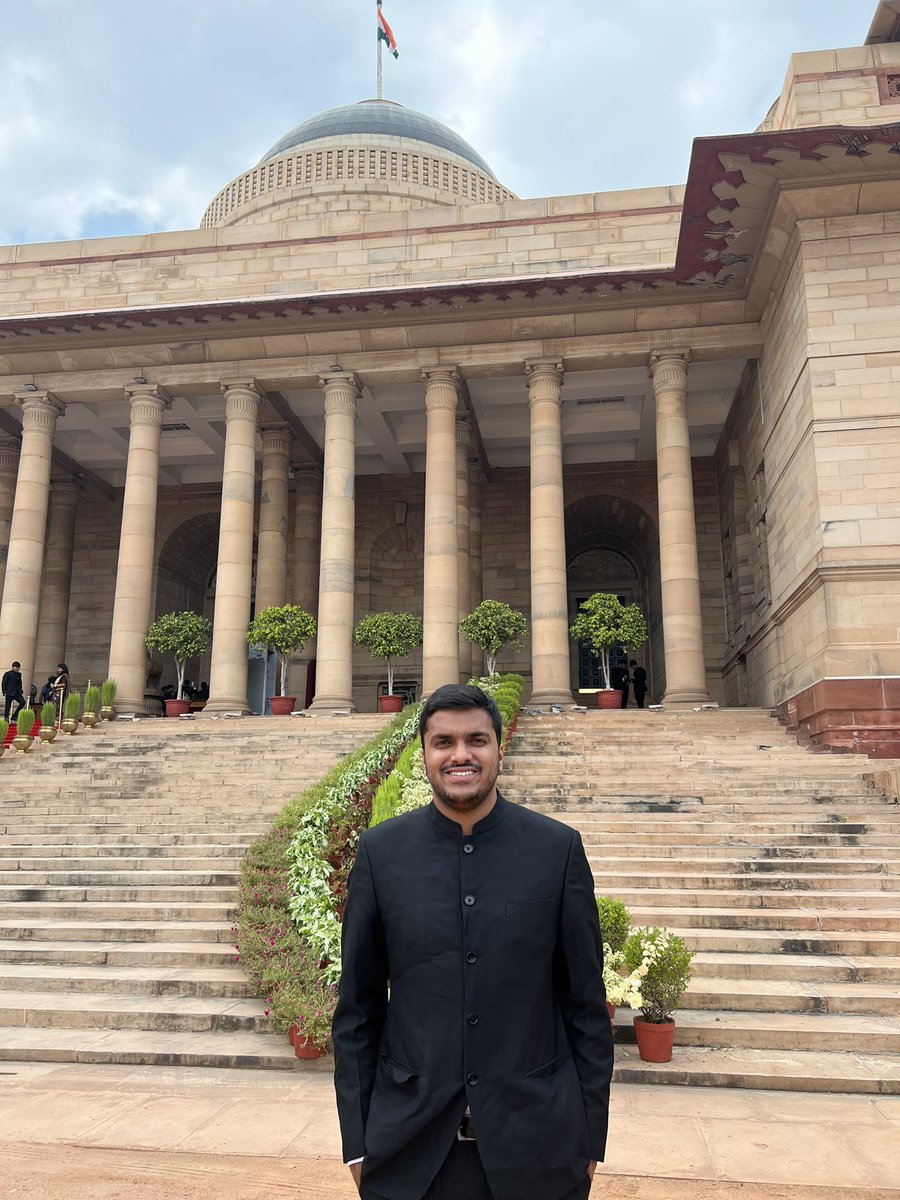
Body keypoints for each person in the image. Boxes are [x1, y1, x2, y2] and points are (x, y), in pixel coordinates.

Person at [333, 683, 613, 1200]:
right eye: (443, 742)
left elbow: (586, 1008)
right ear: (424, 756)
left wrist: (590, 1140)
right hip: (409, 1155)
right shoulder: (381, 855)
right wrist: (357, 1144)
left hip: (540, 1153)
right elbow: (357, 1011)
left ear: (499, 753)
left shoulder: (556, 851)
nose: (460, 754)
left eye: (476, 740)